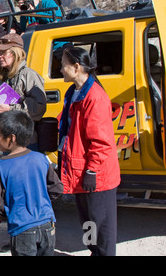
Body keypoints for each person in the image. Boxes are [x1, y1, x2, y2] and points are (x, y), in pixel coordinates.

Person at [59, 46, 120, 256]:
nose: (60, 69)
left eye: (63, 65)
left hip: (96, 176)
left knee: (102, 229)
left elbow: (101, 142)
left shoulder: (94, 96)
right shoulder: (74, 92)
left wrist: (92, 171)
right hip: (80, 172)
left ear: (76, 67)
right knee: (88, 225)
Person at [0, 110, 63, 256]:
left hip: (22, 230)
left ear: (11, 138)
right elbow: (57, 188)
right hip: (48, 225)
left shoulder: (1, 166)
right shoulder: (41, 158)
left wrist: (10, 214)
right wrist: (41, 203)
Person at [0, 33, 47, 150]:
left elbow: (39, 108)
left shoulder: (28, 75)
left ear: (15, 53)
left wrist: (10, 109)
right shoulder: (4, 77)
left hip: (26, 143)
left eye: (3, 53)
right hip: (8, 141)